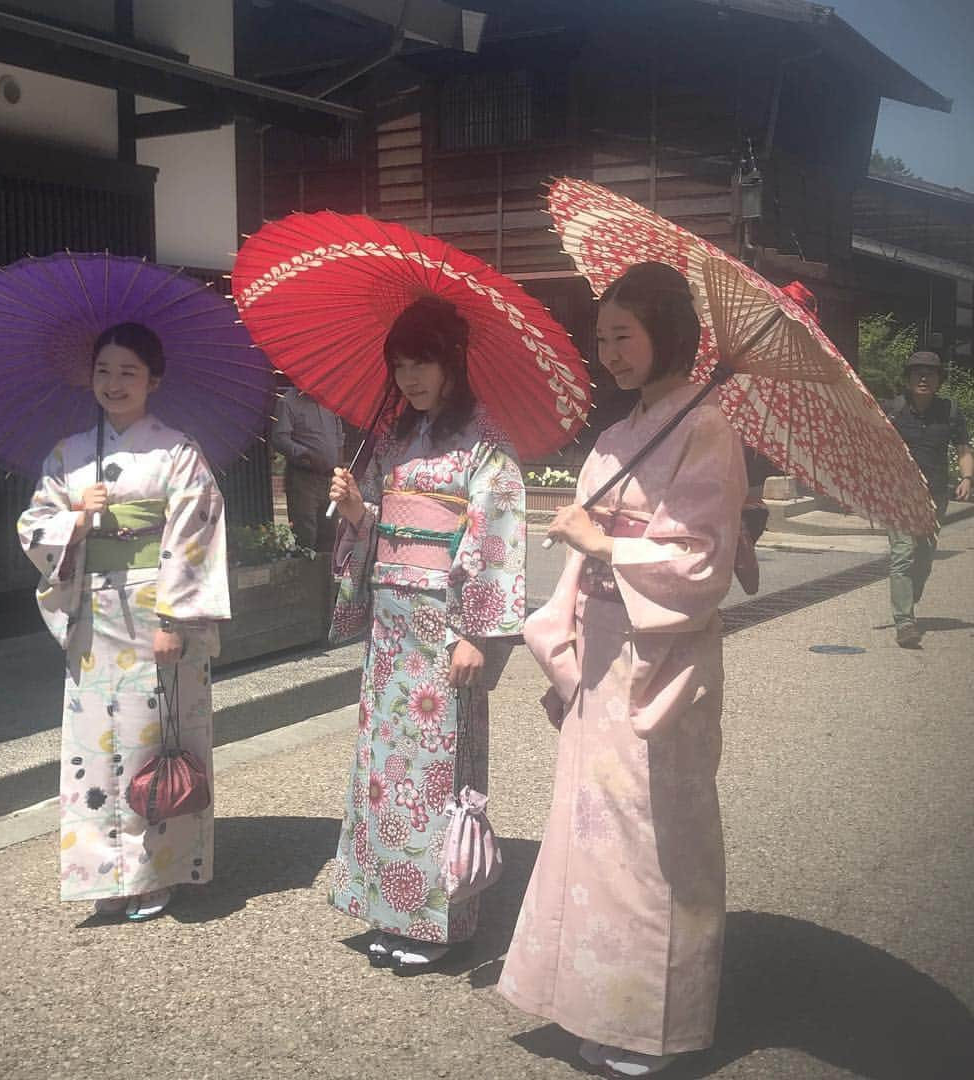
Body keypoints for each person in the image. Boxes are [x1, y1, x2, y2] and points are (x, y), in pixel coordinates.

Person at [498, 263, 746, 1076]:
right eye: (601, 338)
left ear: (668, 331)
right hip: (603, 645)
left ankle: (650, 1020)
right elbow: (589, 546)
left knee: (648, 832)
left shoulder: (708, 431)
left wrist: (608, 543)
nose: (609, 352)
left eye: (624, 335)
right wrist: (562, 629)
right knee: (590, 825)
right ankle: (587, 997)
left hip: (660, 653)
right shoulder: (616, 436)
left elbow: (703, 558)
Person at [325, 296, 526, 973]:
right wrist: (360, 513)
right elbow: (386, 527)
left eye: (423, 363)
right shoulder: (393, 440)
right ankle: (387, 905)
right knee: (385, 773)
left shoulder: (485, 442)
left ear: (452, 363)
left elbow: (493, 536)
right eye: (401, 365)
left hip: (443, 626)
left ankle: (436, 919)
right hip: (391, 631)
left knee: (436, 774)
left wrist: (476, 631)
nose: (410, 378)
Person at [17, 322, 230, 921]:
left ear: (153, 380)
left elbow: (197, 536)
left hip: (154, 612)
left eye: (128, 372)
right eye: (103, 370)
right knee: (92, 747)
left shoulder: (178, 452)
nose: (113, 383)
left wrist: (174, 620)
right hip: (94, 614)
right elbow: (33, 525)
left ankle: (155, 871)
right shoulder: (69, 454)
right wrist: (76, 520)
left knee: (151, 740)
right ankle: (100, 872)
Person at [882, 351, 972, 648]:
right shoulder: (892, 410)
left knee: (924, 559)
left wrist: (967, 478)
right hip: (899, 495)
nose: (923, 377)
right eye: (917, 373)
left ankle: (908, 599)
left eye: (930, 373)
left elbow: (963, 449)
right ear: (907, 379)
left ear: (938, 380)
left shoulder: (950, 412)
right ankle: (904, 622)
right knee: (903, 553)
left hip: (935, 496)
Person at [271, 384, 344, 551]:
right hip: (303, 478)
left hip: (330, 477)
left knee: (330, 534)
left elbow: (339, 437)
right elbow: (280, 438)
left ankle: (326, 576)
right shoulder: (289, 401)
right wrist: (306, 454)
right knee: (306, 534)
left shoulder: (330, 401)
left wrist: (339, 463)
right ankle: (306, 576)